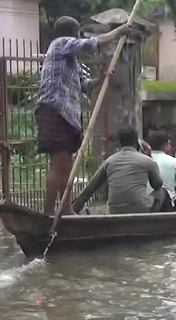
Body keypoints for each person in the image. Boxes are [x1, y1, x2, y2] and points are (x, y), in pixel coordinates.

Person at [36, 17, 132, 215]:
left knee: (67, 164)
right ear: (72, 32)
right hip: (55, 109)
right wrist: (118, 31)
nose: (79, 36)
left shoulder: (69, 59)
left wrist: (101, 79)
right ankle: (46, 214)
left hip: (67, 115)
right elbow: (90, 44)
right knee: (58, 161)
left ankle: (65, 209)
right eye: (77, 32)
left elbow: (83, 85)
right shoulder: (60, 44)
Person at [72, 126, 168, 215]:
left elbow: (91, 188)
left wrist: (75, 207)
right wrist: (149, 156)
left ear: (120, 143)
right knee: (162, 191)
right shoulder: (147, 160)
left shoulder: (109, 161)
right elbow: (157, 184)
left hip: (114, 210)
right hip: (141, 209)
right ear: (138, 143)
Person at [146, 131, 176, 211]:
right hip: (166, 205)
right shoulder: (173, 161)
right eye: (169, 144)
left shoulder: (143, 160)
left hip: (146, 202)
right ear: (165, 146)